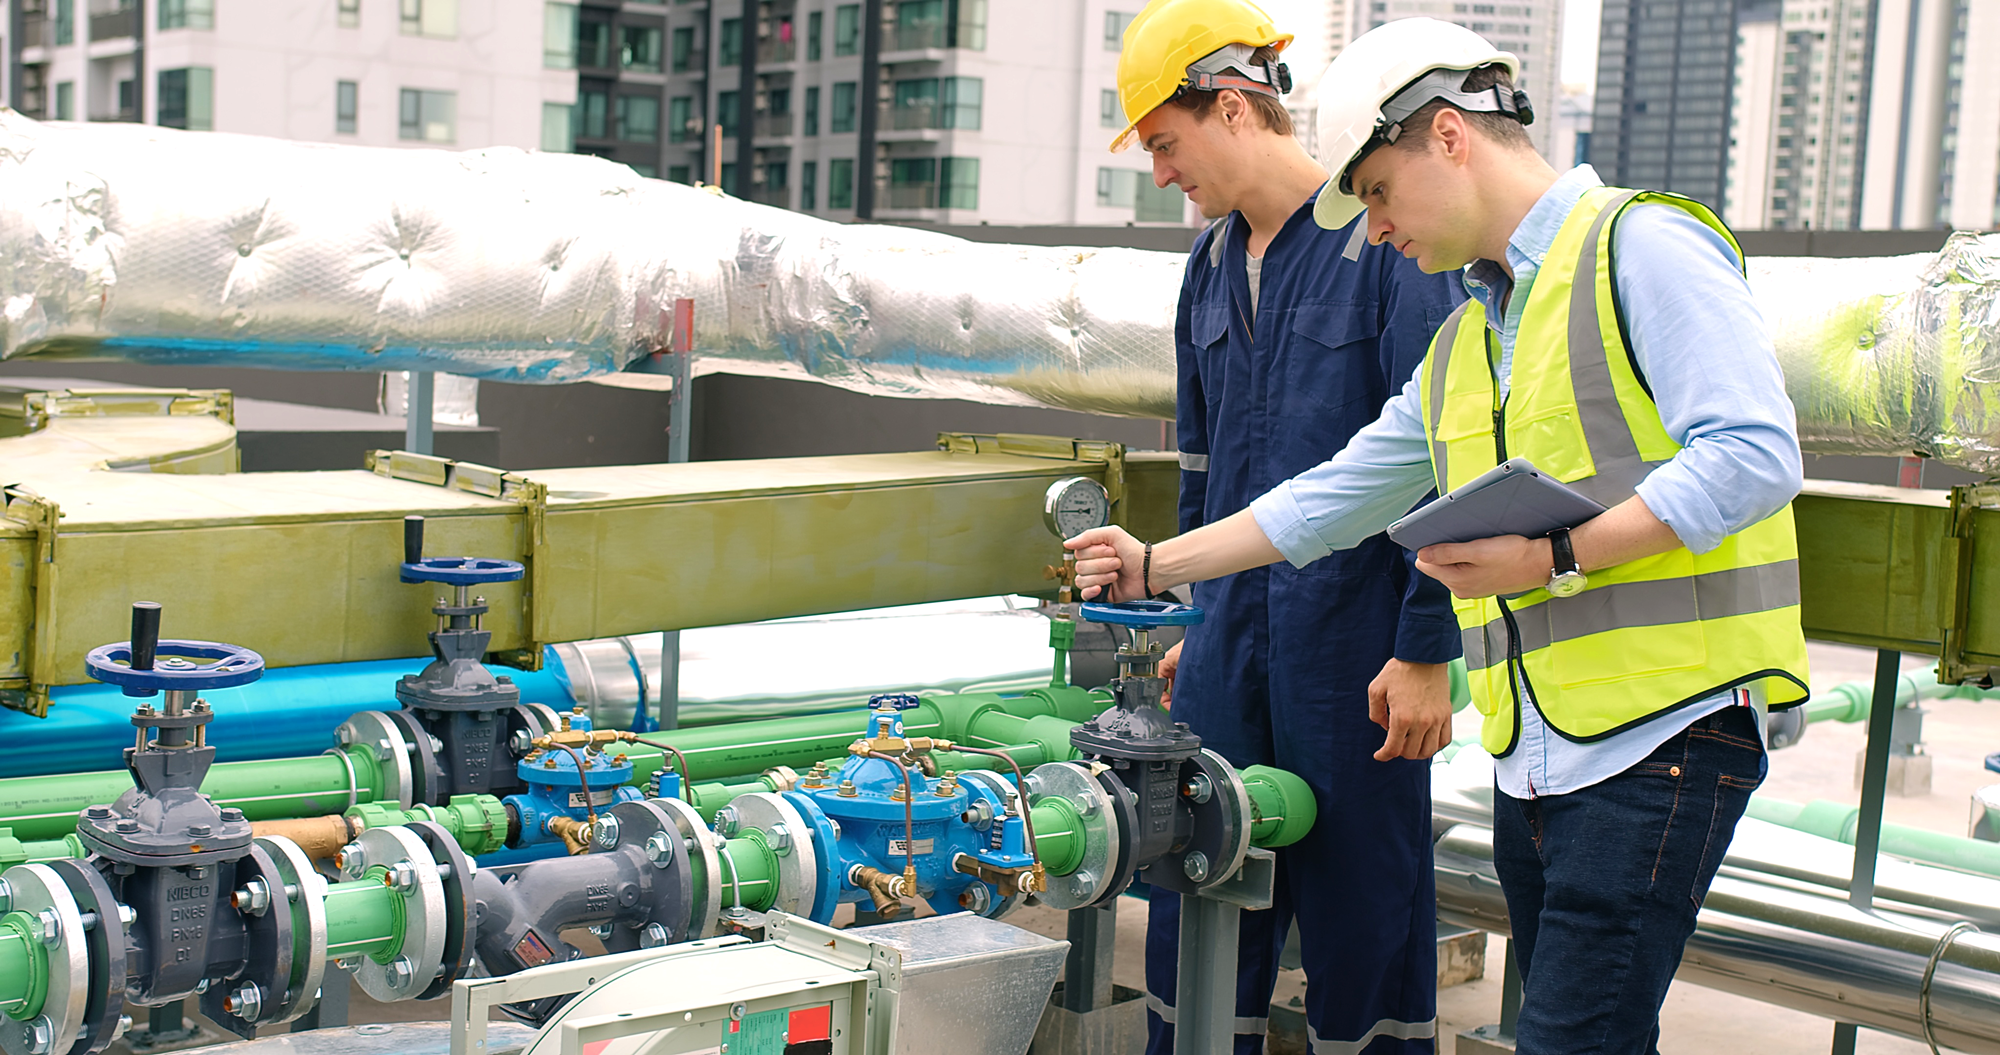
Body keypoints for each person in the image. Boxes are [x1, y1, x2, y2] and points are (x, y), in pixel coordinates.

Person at [1074, 17, 1810, 1054]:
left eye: (1375, 192)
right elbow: (1331, 496)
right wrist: (1158, 565)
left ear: (1449, 137)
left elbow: (1750, 451)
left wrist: (1550, 557)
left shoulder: (1639, 244)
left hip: (1663, 732)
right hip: (1542, 749)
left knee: (1563, 1033)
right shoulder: (1476, 330)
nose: (1371, 229)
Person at [1106, 3, 1466, 1052]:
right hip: (1228, 636)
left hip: (1355, 643)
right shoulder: (1209, 266)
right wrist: (1183, 622)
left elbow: (1448, 459)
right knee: (1197, 869)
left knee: (1363, 904)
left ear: (1228, 105)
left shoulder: (1386, 239)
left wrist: (1422, 643)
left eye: (1165, 144)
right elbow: (1200, 466)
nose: (1162, 172)